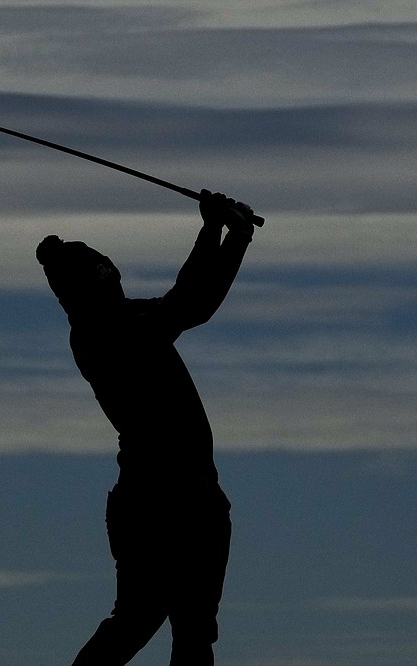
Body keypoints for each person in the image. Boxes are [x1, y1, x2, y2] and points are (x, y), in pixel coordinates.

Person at [36, 190, 258, 666]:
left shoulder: (121, 318)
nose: (113, 286)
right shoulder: (106, 336)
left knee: (188, 631)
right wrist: (217, 231)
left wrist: (228, 233)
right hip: (159, 500)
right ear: (92, 289)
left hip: (188, 496)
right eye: (104, 281)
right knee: (142, 621)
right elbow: (189, 304)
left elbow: (192, 301)